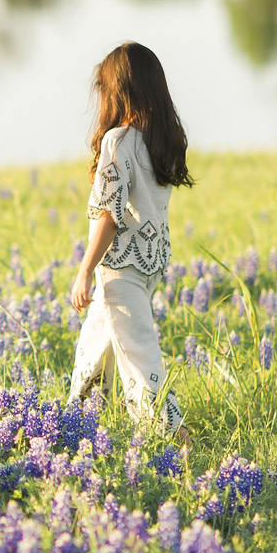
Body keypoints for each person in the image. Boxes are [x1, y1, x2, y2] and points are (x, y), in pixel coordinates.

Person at [68, 38, 191, 425]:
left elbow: (108, 213)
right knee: (93, 353)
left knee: (140, 363)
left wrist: (85, 269)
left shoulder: (118, 141)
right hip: (147, 266)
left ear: (118, 91)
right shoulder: (161, 142)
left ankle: (178, 448)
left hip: (118, 269)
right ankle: (79, 432)